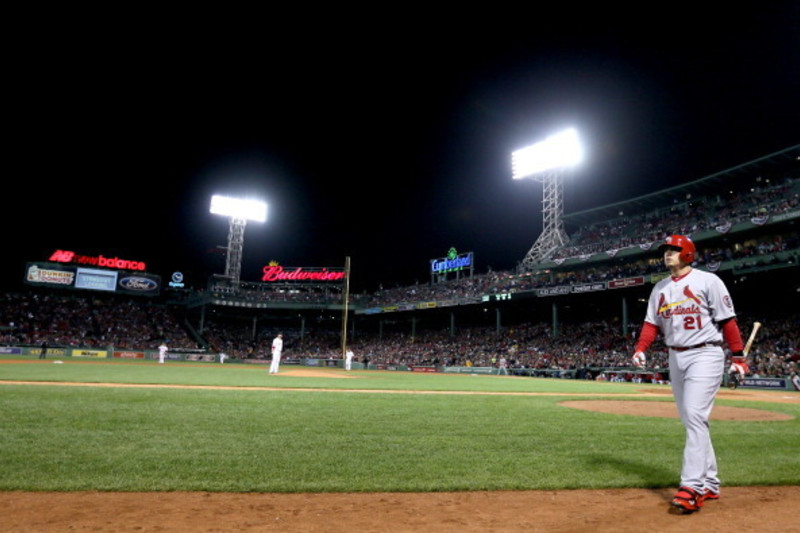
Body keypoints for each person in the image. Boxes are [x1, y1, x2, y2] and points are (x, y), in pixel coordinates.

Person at [632, 235, 746, 514]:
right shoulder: (659, 288)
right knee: (692, 420)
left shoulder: (708, 281)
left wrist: (739, 357)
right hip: (675, 355)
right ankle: (711, 483)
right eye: (666, 251)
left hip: (705, 352)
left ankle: (692, 487)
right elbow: (651, 323)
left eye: (674, 250)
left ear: (688, 254)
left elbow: (727, 321)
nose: (668, 254)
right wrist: (641, 348)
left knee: (695, 415)